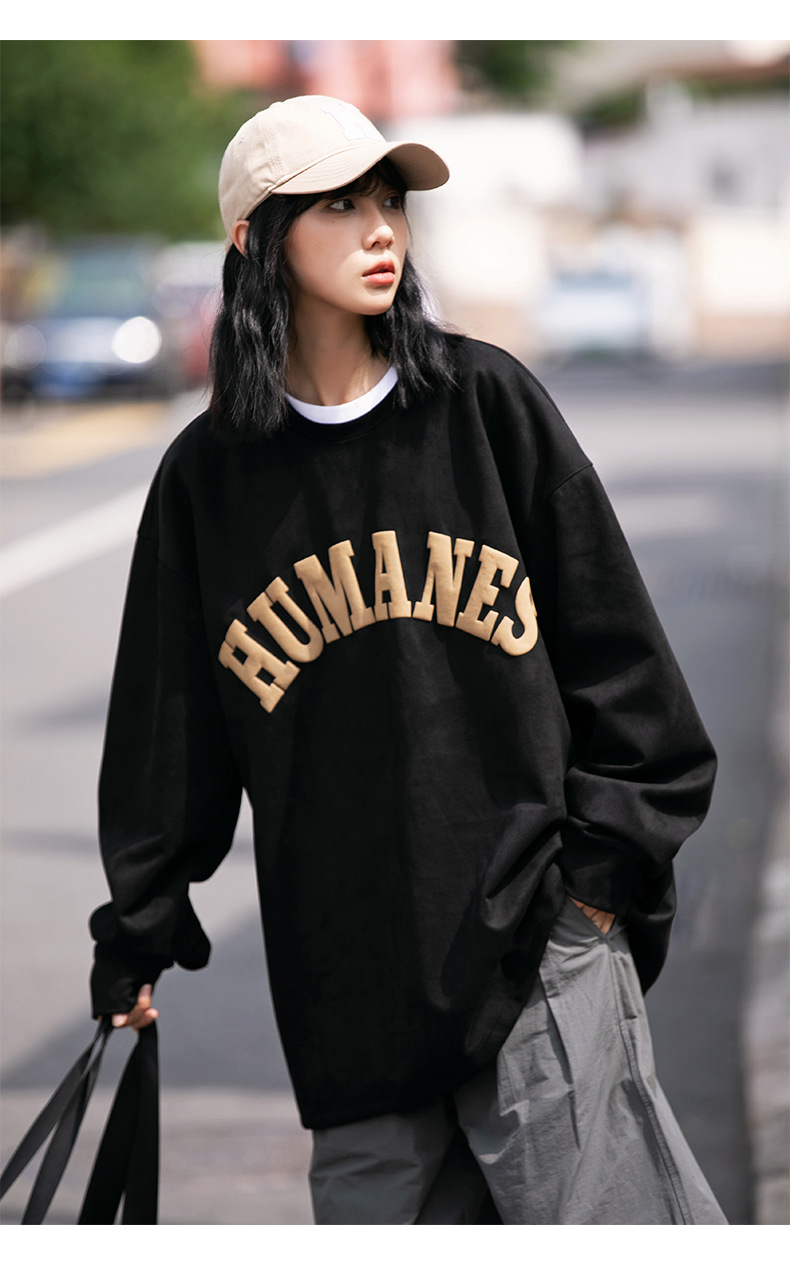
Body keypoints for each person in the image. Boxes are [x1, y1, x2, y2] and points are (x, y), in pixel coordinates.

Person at [88, 95, 727, 1225]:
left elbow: (630, 678)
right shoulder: (208, 482)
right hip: (348, 998)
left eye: (389, 200)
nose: (382, 228)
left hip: (538, 963)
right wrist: (138, 933)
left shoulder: (484, 407)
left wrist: (591, 898)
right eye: (340, 206)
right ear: (254, 238)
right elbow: (168, 738)